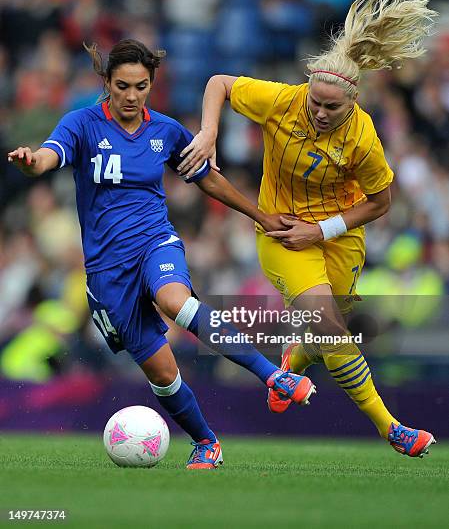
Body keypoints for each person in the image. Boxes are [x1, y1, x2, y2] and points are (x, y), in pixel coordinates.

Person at [8, 39, 316, 469]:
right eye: (122, 86)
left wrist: (259, 215)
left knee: (175, 300)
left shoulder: (166, 131)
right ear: (106, 84)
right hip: (106, 271)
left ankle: (275, 375)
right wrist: (31, 161)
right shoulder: (81, 124)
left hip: (155, 241)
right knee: (163, 374)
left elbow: (206, 178)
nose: (132, 96)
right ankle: (207, 442)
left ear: (152, 83)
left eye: (141, 86)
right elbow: (48, 156)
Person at [179, 0, 438, 458]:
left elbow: (381, 202)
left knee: (323, 331)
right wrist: (210, 131)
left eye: (331, 108)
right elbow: (218, 82)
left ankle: (293, 362)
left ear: (352, 103)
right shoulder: (282, 101)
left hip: (338, 236)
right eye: (316, 102)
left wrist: (321, 230)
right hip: (280, 232)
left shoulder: (363, 138)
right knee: (328, 326)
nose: (319, 112)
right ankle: (391, 428)